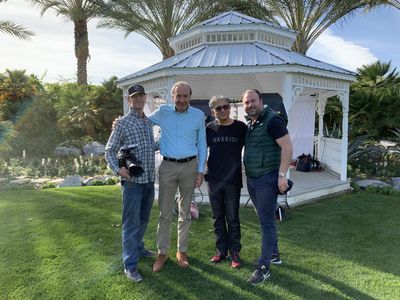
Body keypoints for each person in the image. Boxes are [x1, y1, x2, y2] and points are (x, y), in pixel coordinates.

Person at [150, 81, 207, 272]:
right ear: (172, 96)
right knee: (164, 213)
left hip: (190, 167)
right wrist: (120, 121)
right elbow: (142, 119)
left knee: (185, 212)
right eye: (178, 96)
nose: (182, 100)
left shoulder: (198, 115)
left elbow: (202, 144)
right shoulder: (162, 112)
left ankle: (182, 251)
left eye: (185, 96)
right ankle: (162, 252)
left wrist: (200, 170)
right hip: (167, 167)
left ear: (190, 97)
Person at [105, 84, 157, 282]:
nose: (138, 100)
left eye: (141, 97)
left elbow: (150, 146)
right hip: (133, 183)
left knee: (143, 219)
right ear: (129, 100)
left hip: (149, 180)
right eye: (134, 97)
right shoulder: (122, 123)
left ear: (145, 99)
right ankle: (130, 265)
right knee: (131, 223)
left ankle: (139, 248)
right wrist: (118, 170)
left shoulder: (147, 122)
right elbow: (109, 150)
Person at [241, 89, 293, 285]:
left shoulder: (273, 121)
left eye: (253, 101)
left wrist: (282, 175)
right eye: (246, 102)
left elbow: (287, 147)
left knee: (266, 222)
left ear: (260, 101)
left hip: (267, 178)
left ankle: (263, 268)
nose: (250, 105)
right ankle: (274, 255)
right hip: (253, 179)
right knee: (264, 217)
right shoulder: (252, 123)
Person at [205, 96, 247, 268]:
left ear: (230, 108)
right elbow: (201, 149)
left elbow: (253, 146)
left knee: (232, 217)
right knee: (217, 218)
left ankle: (234, 253)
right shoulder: (210, 128)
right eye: (218, 108)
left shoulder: (240, 127)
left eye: (225, 106)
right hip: (214, 181)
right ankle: (221, 251)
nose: (222, 110)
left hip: (232, 181)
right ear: (212, 111)